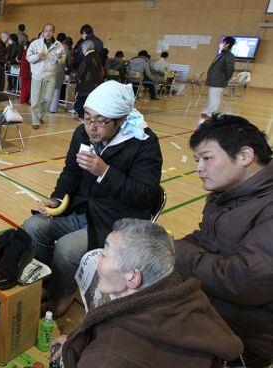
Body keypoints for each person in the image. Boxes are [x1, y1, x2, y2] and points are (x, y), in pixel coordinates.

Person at [22, 80, 163, 316]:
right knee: (33, 227)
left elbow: (146, 196)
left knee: (67, 250)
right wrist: (57, 199)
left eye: (100, 121)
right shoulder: (83, 134)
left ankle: (61, 297)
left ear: (121, 120)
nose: (91, 127)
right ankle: (48, 283)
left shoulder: (144, 143)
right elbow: (70, 172)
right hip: (82, 209)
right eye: (87, 118)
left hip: (116, 220)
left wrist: (105, 172)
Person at [51, 218, 243, 367]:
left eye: (105, 254)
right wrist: (75, 342)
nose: (97, 259)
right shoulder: (189, 297)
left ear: (133, 278)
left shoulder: (108, 356)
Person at [175, 114, 273, 367]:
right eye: (197, 160)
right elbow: (205, 238)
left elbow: (245, 280)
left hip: (246, 338)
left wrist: (175, 252)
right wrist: (161, 247)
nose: (198, 167)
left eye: (207, 158)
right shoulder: (227, 194)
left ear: (245, 156)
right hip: (209, 308)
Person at [26, 24, 65, 129]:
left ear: (53, 32)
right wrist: (37, 56)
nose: (48, 33)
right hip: (37, 76)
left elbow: (62, 60)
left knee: (48, 99)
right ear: (43, 32)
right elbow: (28, 57)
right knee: (35, 100)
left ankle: (40, 116)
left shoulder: (58, 45)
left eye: (50, 31)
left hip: (50, 76)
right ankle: (35, 121)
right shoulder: (35, 44)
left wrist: (60, 57)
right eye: (46, 31)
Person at [201, 37, 235, 123]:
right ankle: (209, 113)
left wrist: (225, 79)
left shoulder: (229, 56)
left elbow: (230, 69)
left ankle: (212, 115)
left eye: (223, 42)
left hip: (219, 81)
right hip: (214, 80)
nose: (221, 44)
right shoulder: (222, 54)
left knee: (214, 98)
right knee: (211, 97)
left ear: (227, 44)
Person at [73, 40, 104, 119]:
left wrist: (77, 78)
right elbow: (101, 70)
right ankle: (89, 116)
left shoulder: (87, 57)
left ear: (85, 48)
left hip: (86, 83)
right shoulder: (98, 57)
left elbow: (81, 70)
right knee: (91, 101)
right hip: (96, 83)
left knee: (82, 99)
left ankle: (81, 116)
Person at [49, 32, 69, 113]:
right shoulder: (65, 48)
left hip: (50, 70)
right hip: (60, 70)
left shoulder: (52, 46)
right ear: (64, 40)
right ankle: (53, 108)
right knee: (57, 90)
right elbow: (69, 59)